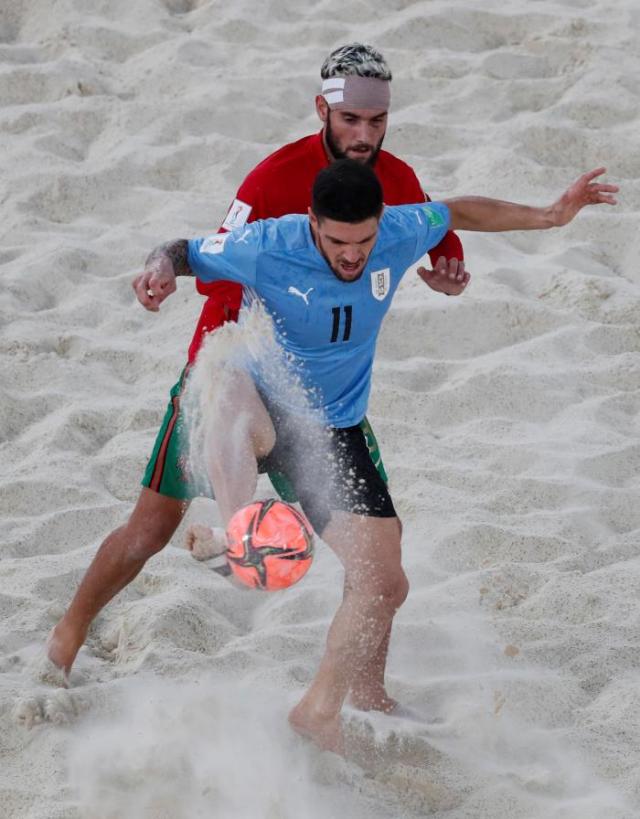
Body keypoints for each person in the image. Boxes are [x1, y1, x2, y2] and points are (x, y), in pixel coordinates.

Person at [141, 159, 617, 753]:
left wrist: (552, 214)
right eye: (337, 241)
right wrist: (159, 268)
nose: (351, 255)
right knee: (225, 372)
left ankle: (318, 710)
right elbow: (182, 251)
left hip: (329, 431)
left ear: (381, 224)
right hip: (260, 403)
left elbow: (462, 210)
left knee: (385, 585)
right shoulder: (266, 244)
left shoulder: (397, 230)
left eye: (363, 240)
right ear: (311, 222)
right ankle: (239, 534)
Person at [46, 43, 467, 682]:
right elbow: (210, 264)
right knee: (150, 529)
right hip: (235, 370)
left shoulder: (394, 177)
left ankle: (368, 692)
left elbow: (430, 226)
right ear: (321, 109)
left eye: (376, 122)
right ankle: (69, 631)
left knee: (377, 560)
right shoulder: (271, 180)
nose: (364, 136)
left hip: (322, 394)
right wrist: (190, 330)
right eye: (350, 120)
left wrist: (449, 265)